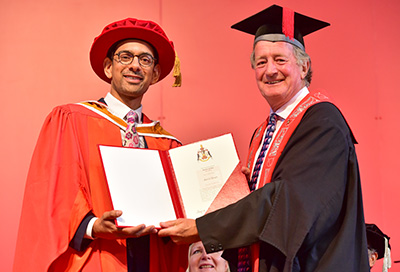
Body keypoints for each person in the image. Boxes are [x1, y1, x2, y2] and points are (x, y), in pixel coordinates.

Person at [158, 4, 370, 271]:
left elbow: (288, 201)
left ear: (304, 66)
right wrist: (242, 188)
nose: (270, 71)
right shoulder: (264, 133)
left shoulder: (322, 122)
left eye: (280, 60)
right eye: (261, 62)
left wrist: (203, 227)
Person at [13, 18, 188, 271]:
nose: (135, 66)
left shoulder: (167, 143)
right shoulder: (71, 120)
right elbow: (50, 194)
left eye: (145, 60)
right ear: (108, 67)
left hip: (150, 259)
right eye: (125, 57)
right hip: (97, 256)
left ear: (156, 74)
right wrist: (93, 225)